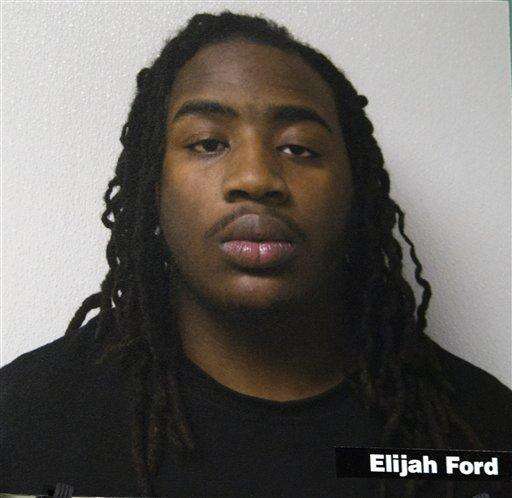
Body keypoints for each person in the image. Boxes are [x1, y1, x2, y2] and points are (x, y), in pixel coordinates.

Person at [1, 11, 511, 498]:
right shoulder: (24, 417)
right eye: (207, 143)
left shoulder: (480, 429)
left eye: (298, 147)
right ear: (154, 186)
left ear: (355, 191)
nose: (256, 178)